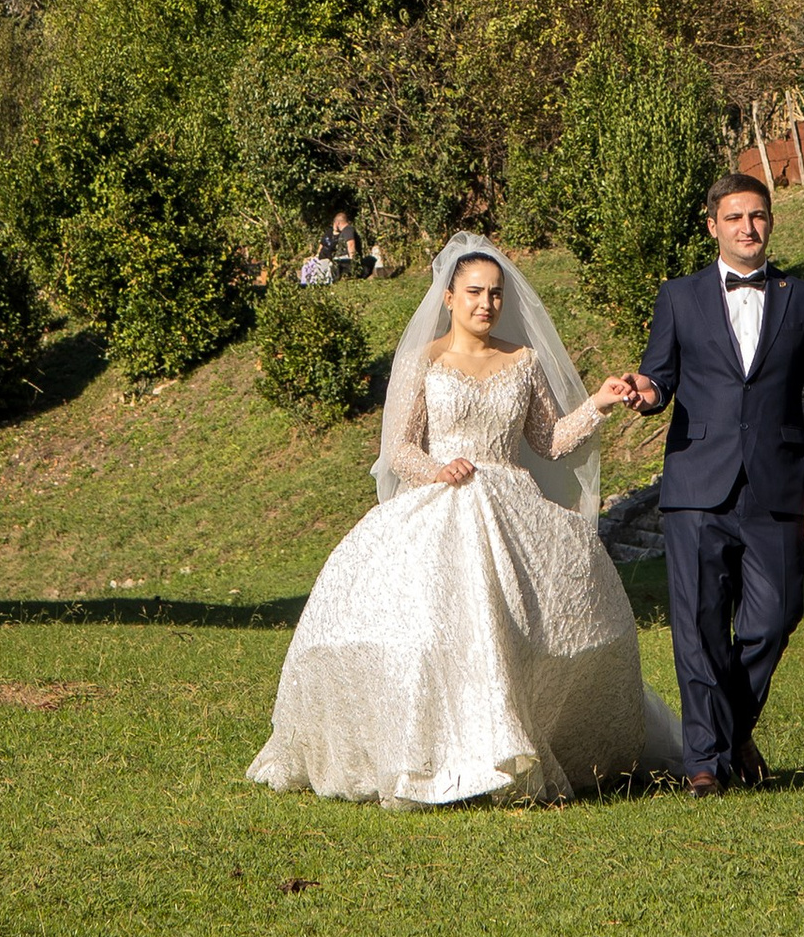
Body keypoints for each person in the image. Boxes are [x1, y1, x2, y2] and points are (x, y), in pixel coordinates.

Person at [248, 237, 683, 809]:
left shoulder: (523, 361)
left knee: (521, 633)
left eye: (496, 294)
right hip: (442, 502)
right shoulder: (424, 360)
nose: (486, 304)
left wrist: (598, 402)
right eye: (475, 292)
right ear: (449, 297)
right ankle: (433, 754)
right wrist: (436, 469)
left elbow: (549, 441)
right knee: (433, 633)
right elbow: (400, 448)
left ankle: (518, 747)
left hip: (512, 507)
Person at [623, 174, 804, 796]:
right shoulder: (678, 297)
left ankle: (730, 728)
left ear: (770, 222)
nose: (749, 227)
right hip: (697, 484)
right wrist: (644, 392)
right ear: (712, 225)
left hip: (780, 487)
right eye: (735, 217)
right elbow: (660, 377)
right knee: (698, 627)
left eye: (759, 216)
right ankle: (703, 763)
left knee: (776, 617)